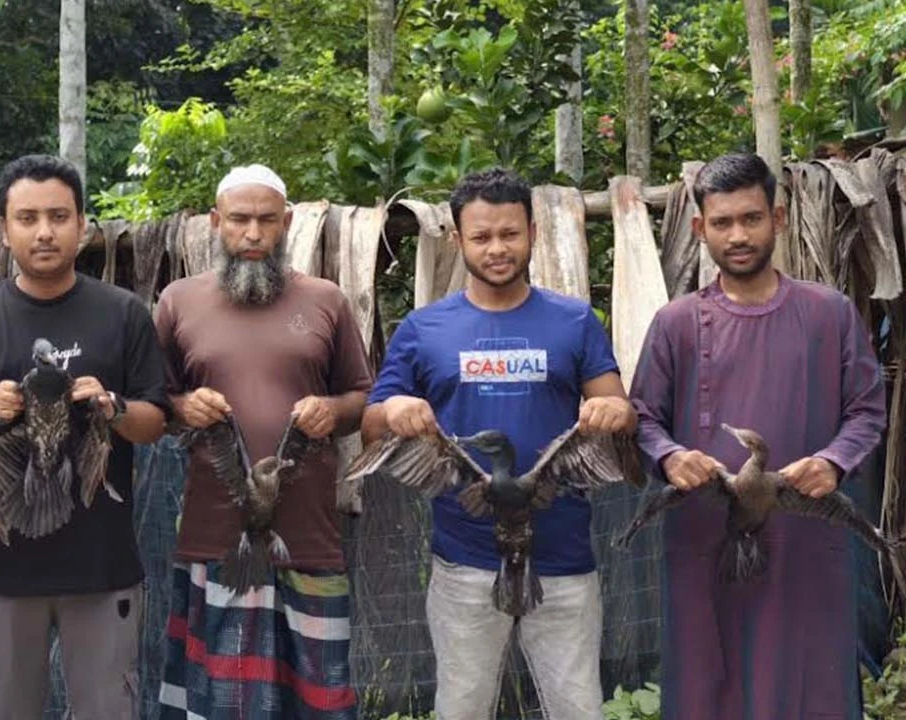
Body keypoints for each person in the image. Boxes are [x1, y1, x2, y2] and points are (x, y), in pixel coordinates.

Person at [361, 168, 636, 719]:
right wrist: (394, 408)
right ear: (458, 240)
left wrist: (614, 410)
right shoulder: (423, 329)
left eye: (509, 233)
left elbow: (622, 415)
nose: (497, 248)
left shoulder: (574, 319)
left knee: (578, 707)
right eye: (481, 236)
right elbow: (370, 426)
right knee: (462, 707)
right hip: (465, 559)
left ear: (533, 232)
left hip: (562, 558)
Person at [629, 152, 886, 719]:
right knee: (706, 685)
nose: (738, 235)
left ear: (779, 217)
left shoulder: (829, 313)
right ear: (700, 229)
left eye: (751, 218)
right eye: (722, 223)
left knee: (807, 685)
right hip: (703, 544)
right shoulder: (675, 324)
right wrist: (670, 457)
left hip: (806, 545)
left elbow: (867, 410)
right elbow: (642, 416)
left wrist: (835, 462)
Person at [0, 153, 169, 720]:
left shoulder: (124, 313)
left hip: (103, 568)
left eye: (58, 216)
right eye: (27, 218)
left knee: (109, 710)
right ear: (4, 230)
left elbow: (155, 422)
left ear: (82, 225)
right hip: (7, 571)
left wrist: (112, 408)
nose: (44, 231)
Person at [154, 163, 373, 720]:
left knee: (319, 704)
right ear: (214, 222)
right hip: (216, 542)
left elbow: (363, 398)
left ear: (288, 223)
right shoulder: (178, 302)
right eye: (239, 220)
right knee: (224, 704)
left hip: (310, 539)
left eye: (266, 221)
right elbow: (151, 407)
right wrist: (182, 407)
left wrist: (333, 409)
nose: (252, 234)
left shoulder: (326, 300)